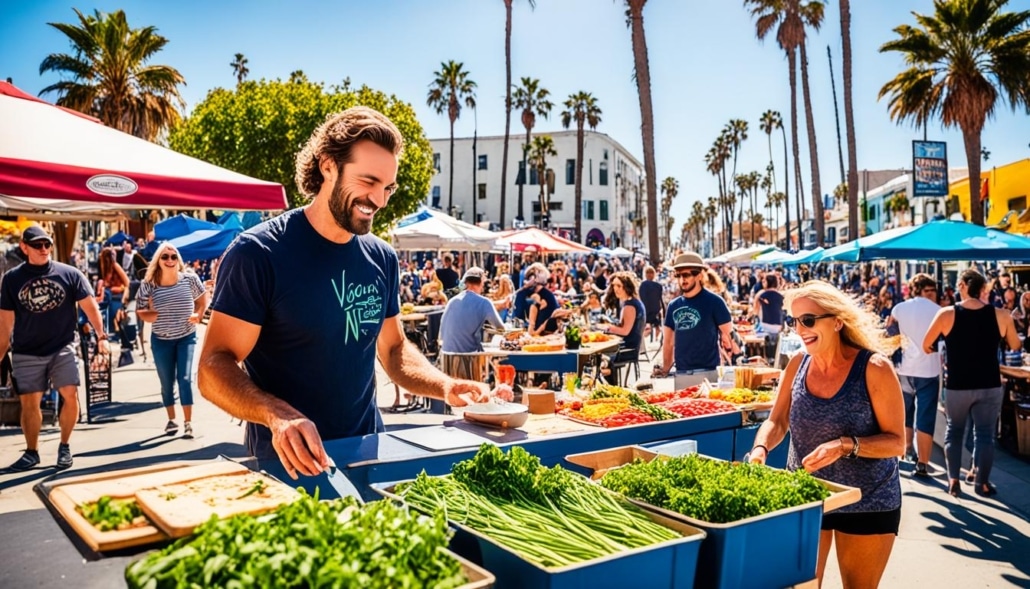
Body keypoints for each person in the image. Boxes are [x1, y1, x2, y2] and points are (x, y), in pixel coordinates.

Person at [198, 106, 490, 481]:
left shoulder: (381, 257)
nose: (380, 200)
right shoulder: (258, 253)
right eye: (368, 181)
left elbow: (394, 350)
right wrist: (278, 415)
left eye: (387, 187)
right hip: (288, 464)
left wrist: (445, 385)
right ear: (327, 166)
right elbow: (212, 367)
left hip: (371, 453)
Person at [749, 280, 905, 589]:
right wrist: (760, 449)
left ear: (837, 321)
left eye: (808, 320)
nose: (800, 329)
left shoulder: (874, 367)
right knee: (801, 586)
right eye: (794, 321)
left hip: (868, 501)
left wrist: (846, 445)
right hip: (806, 496)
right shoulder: (797, 365)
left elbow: (897, 442)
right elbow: (776, 421)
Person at [1, 226, 109, 471]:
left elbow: (90, 307)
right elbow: (5, 323)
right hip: (26, 350)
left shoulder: (69, 274)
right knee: (30, 403)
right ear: (24, 247)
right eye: (37, 245)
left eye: (47, 244)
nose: (43, 249)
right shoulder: (12, 279)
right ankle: (31, 452)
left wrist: (102, 336)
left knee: (70, 393)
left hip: (62, 346)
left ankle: (65, 445)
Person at [922, 269, 1020, 498]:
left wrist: (946, 351)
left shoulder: (947, 314)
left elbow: (926, 344)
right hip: (989, 383)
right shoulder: (1001, 315)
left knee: (954, 432)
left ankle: (953, 481)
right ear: (982, 289)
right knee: (985, 434)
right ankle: (982, 484)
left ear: (964, 285)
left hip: (958, 384)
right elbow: (1015, 345)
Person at [136, 243, 208, 438]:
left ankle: (188, 423)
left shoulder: (190, 279)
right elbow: (140, 309)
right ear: (158, 261)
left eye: (173, 257)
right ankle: (171, 419)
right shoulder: (149, 284)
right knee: (167, 383)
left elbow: (203, 300)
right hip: (161, 340)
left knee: (185, 379)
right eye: (165, 257)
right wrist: (149, 315)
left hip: (187, 336)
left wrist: (198, 315)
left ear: (178, 261)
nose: (169, 260)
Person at [888, 273, 941, 477]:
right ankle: (922, 463)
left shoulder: (899, 308)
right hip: (928, 370)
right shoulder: (939, 311)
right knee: (925, 417)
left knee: (906, 413)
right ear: (926, 291)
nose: (933, 295)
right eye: (931, 291)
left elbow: (890, 335)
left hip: (904, 369)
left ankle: (907, 450)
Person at [655, 252, 733, 389]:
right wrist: (665, 370)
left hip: (709, 372)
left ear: (699, 275)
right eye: (678, 275)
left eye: (686, 275)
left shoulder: (715, 302)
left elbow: (729, 335)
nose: (681, 280)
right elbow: (668, 342)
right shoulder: (673, 305)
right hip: (681, 373)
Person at [440, 267, 504, 353]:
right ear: (481, 283)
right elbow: (500, 328)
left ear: (465, 283)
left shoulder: (452, 301)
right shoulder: (485, 303)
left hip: (446, 355)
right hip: (469, 357)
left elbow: (442, 332)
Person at [638, 265, 664, 341]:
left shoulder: (642, 285)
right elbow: (660, 299)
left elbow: (641, 298)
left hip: (646, 311)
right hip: (655, 312)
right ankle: (656, 329)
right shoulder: (658, 286)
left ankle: (648, 329)